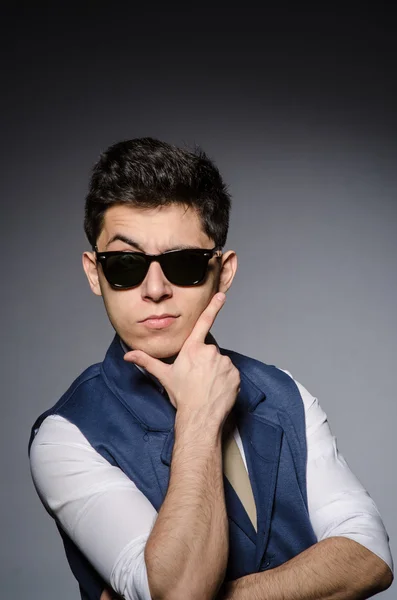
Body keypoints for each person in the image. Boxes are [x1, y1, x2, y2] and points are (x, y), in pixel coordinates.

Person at [29, 137, 393, 600]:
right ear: (93, 273)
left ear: (223, 272)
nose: (155, 288)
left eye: (183, 264)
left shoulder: (284, 394)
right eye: (125, 265)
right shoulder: (67, 435)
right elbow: (180, 592)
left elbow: (370, 555)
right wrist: (199, 419)